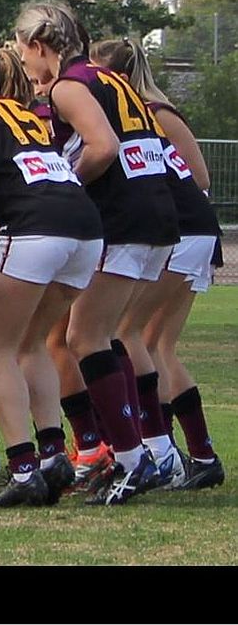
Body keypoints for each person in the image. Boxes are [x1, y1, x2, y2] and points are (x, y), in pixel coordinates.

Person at [15, 0, 179, 505]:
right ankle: (146, 450)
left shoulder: (70, 85)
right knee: (104, 336)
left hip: (123, 218)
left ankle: (131, 458)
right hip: (155, 212)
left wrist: (64, 186)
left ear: (38, 45)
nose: (24, 63)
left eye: (23, 52)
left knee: (83, 337)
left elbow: (102, 147)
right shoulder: (110, 78)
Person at [0, 31, 101, 506]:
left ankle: (24, 467)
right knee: (31, 342)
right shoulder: (21, 109)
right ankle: (53, 456)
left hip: (34, 229)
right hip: (84, 228)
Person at [91, 37, 225, 491]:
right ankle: (199, 454)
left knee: (126, 333)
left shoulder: (156, 113)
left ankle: (160, 449)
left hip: (182, 228)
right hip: (180, 229)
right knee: (154, 343)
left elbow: (200, 176)